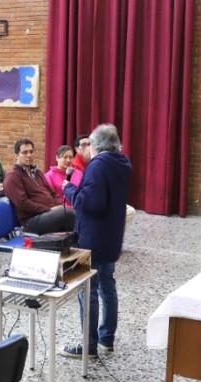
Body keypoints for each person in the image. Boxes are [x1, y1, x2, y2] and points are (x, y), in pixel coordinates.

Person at [60, 124, 130, 357]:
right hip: (111, 236)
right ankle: (106, 338)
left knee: (86, 290)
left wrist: (69, 189)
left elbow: (90, 204)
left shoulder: (97, 166)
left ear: (96, 144)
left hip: (92, 238)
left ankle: (88, 346)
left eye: (88, 143)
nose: (86, 148)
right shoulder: (121, 162)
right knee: (107, 286)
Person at [3, 138, 76, 235]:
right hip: (30, 221)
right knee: (66, 213)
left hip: (47, 214)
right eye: (25, 152)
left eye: (31, 152)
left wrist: (59, 205)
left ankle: (77, 244)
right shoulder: (12, 176)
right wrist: (48, 209)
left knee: (72, 211)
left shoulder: (37, 172)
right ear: (17, 155)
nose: (29, 155)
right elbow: (23, 204)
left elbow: (52, 193)